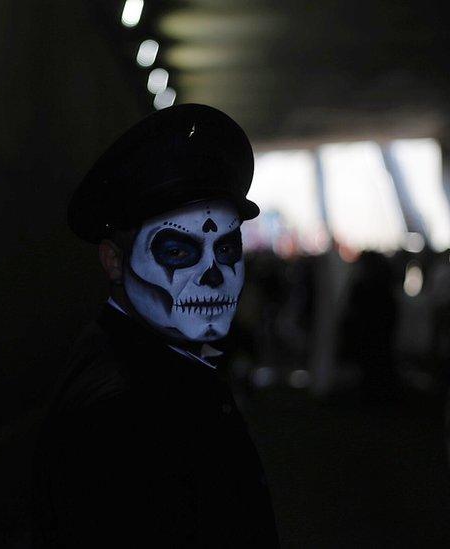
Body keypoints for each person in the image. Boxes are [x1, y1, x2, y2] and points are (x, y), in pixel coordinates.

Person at [31, 104, 279, 547]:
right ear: (114, 261)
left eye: (226, 248)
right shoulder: (123, 414)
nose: (214, 275)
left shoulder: (156, 362)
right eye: (178, 251)